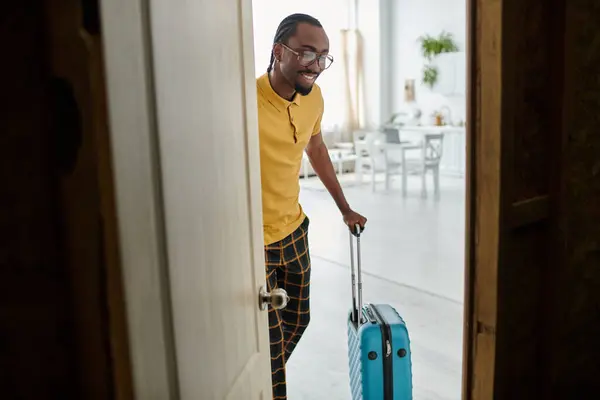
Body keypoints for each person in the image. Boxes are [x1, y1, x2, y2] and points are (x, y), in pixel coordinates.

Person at [256, 13, 367, 399]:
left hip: (294, 230)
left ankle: (255, 379)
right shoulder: (243, 103)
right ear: (278, 51)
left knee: (298, 320)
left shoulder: (313, 98)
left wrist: (344, 207)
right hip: (255, 243)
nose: (316, 65)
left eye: (323, 56)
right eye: (307, 53)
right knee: (270, 352)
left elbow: (315, 148)